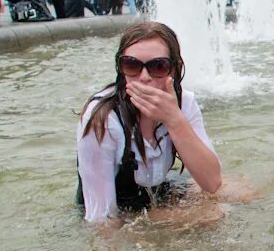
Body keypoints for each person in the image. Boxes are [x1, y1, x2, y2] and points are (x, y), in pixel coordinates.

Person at [76, 21, 222, 223]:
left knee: (243, 191)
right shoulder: (103, 118)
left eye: (158, 67)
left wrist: (174, 119)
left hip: (158, 193)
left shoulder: (184, 103)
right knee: (213, 214)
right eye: (132, 65)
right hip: (122, 210)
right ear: (120, 69)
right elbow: (101, 218)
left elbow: (212, 182)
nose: (144, 78)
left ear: (174, 70)